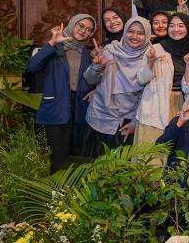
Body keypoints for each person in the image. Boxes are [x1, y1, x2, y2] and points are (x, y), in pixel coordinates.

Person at [28, 14, 97, 172]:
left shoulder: (90, 54)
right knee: (57, 157)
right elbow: (32, 66)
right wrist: (52, 42)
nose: (84, 31)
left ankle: (74, 193)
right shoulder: (54, 48)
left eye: (89, 30)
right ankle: (56, 193)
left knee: (78, 158)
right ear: (72, 24)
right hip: (56, 107)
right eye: (81, 26)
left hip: (81, 109)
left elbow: (94, 81)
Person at [84, 17, 152, 154]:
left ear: (147, 35)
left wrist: (134, 122)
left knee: (122, 171)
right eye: (131, 31)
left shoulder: (150, 56)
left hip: (127, 121)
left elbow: (147, 95)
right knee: (96, 170)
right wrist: (96, 66)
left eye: (140, 33)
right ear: (125, 32)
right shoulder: (110, 50)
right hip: (99, 117)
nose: (134, 36)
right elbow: (90, 80)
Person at [134, 12, 189, 146]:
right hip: (155, 105)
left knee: (175, 154)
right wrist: (150, 63)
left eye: (181, 26)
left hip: (181, 105)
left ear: (188, 28)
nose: (176, 29)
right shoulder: (156, 49)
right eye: (171, 25)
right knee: (152, 153)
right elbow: (140, 80)